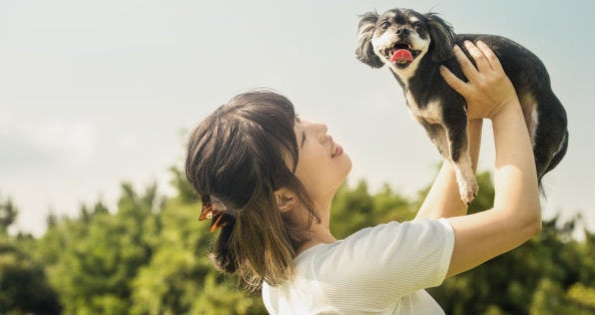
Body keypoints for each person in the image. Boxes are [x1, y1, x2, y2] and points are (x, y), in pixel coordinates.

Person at [185, 41, 541, 314]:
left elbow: (425, 236)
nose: (319, 127)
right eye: (300, 135)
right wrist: (502, 106)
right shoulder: (347, 272)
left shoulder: (284, 285)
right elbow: (518, 219)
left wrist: (466, 117)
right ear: (282, 197)